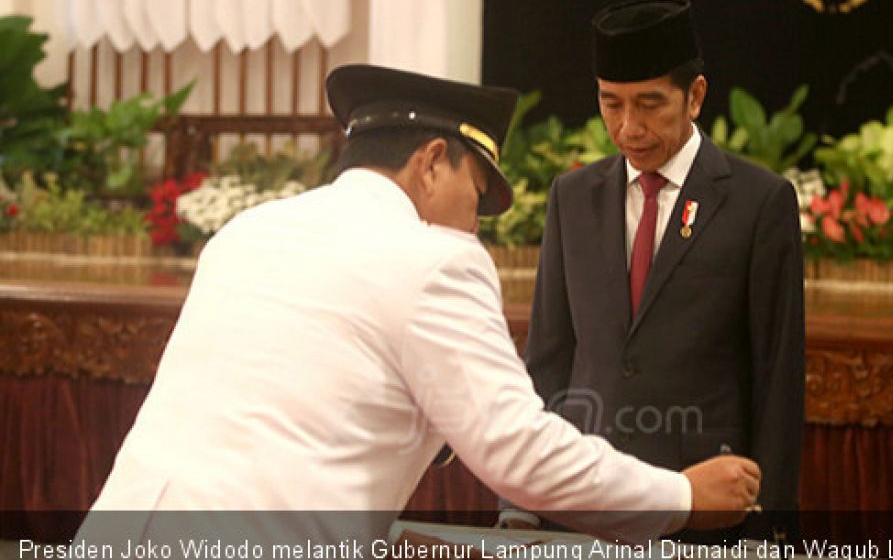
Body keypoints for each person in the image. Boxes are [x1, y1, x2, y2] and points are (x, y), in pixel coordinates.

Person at [83, 64, 763, 545]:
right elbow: (517, 451)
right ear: (432, 161)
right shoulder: (435, 259)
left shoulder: (247, 231)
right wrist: (682, 496)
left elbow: (313, 416)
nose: (472, 223)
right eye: (476, 195)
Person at [499, 0, 805, 541]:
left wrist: (770, 524)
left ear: (695, 97)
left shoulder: (759, 203)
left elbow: (777, 375)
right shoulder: (573, 198)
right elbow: (547, 359)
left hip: (707, 512)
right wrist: (519, 500)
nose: (628, 127)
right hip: (583, 503)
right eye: (610, 104)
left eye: (649, 104)